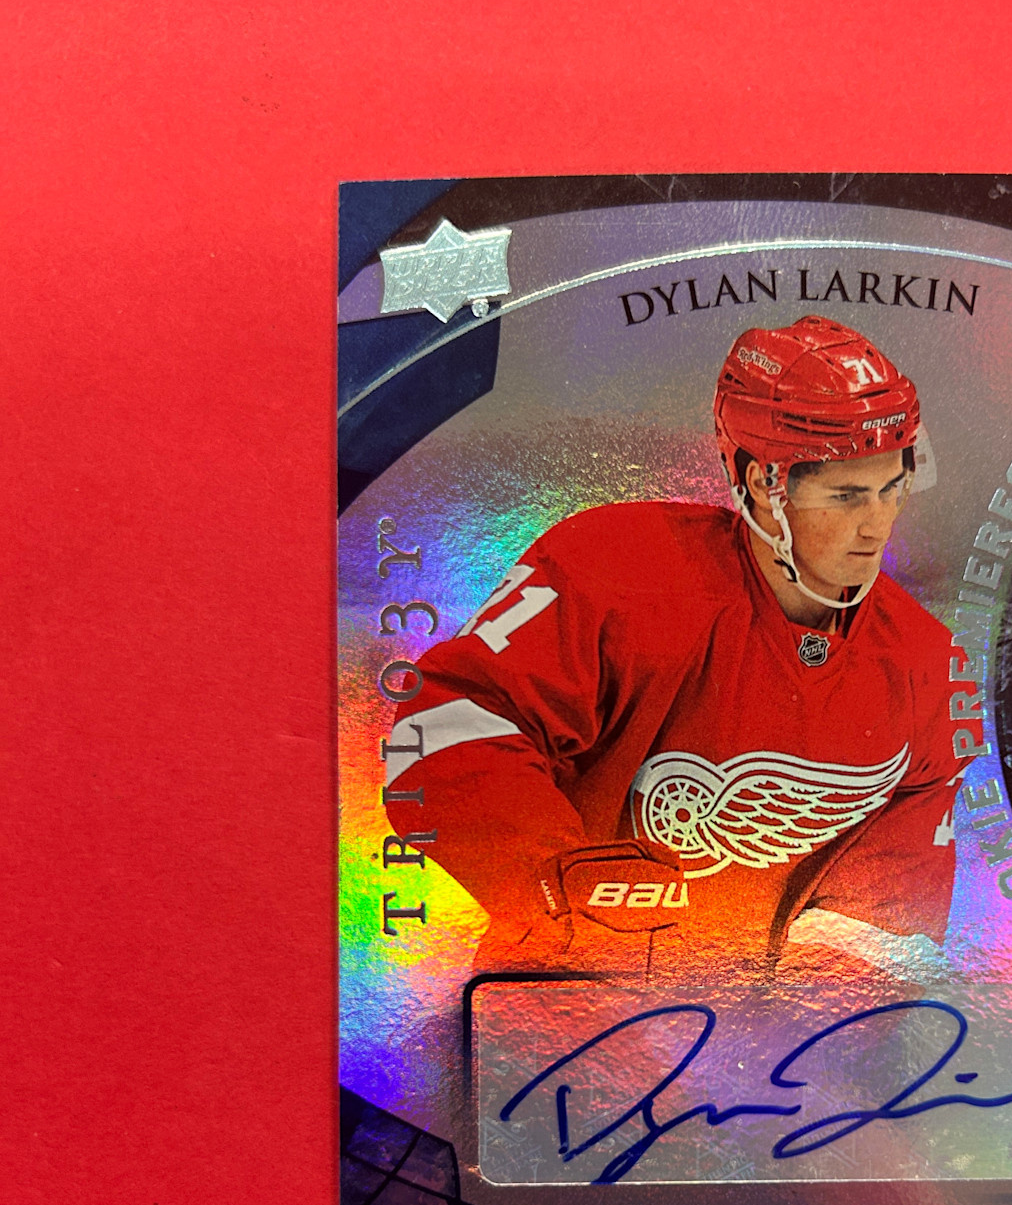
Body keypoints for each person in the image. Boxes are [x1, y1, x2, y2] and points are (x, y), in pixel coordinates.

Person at [383, 315, 964, 977]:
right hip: (560, 1008)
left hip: (750, 1032)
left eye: (891, 489)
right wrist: (556, 877)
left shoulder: (927, 666)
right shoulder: (617, 571)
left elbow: (872, 936)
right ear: (761, 483)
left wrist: (788, 1024)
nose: (877, 527)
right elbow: (441, 726)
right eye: (847, 496)